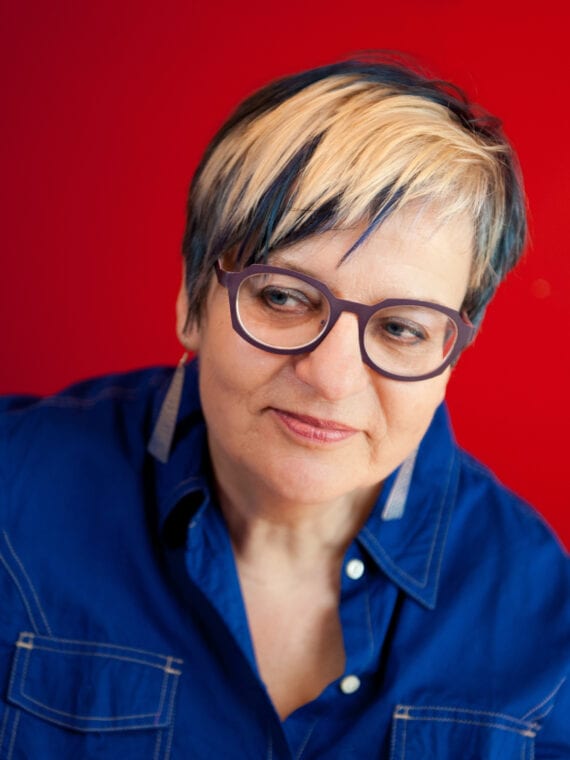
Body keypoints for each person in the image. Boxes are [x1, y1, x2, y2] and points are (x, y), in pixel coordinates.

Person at [0, 55, 568, 759]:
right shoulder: (13, 496)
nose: (331, 378)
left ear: (450, 358)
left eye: (401, 328)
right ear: (192, 300)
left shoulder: (545, 621)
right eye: (282, 296)